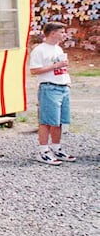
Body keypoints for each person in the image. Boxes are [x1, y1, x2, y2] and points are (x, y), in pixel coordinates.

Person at [28, 21, 75, 165]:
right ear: (53, 33)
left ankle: (56, 147)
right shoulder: (40, 50)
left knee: (59, 121)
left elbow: (60, 68)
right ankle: (43, 151)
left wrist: (66, 81)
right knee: (47, 121)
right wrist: (55, 66)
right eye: (61, 32)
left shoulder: (58, 49)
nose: (64, 34)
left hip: (62, 86)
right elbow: (34, 70)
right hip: (49, 87)